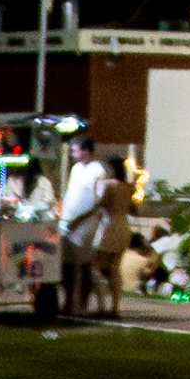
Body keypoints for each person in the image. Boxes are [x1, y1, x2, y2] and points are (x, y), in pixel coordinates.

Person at [56, 135, 114, 322]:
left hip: (84, 226)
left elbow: (96, 202)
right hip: (68, 224)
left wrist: (79, 220)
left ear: (86, 151)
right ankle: (68, 302)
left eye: (76, 149)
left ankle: (81, 304)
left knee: (83, 264)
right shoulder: (75, 169)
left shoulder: (97, 170)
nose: (73, 153)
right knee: (67, 265)